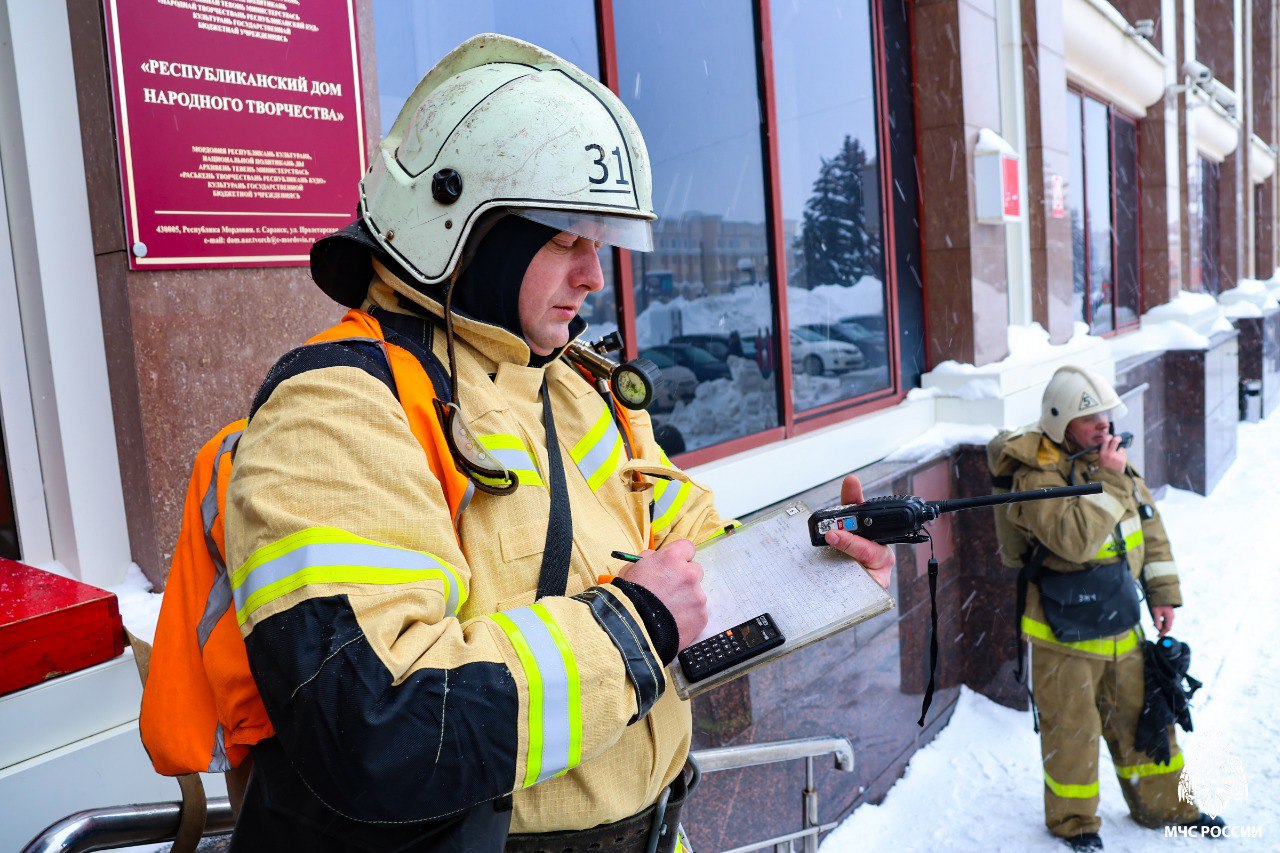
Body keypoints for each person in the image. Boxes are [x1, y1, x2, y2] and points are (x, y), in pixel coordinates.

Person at [224, 34, 894, 852]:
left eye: (600, 244)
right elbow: (379, 724)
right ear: (464, 227)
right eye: (567, 238)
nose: (594, 276)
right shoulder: (337, 409)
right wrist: (634, 624)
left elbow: (686, 559)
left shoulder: (576, 387)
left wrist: (812, 555)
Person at [990, 366, 1221, 852]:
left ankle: (1167, 808)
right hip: (1061, 635)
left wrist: (1162, 594)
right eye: (1089, 416)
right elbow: (1073, 541)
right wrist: (1110, 483)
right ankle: (1075, 825)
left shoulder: (1110, 460)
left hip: (1121, 624)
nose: (1103, 425)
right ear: (1060, 422)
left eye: (1105, 414)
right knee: (1071, 734)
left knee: (1146, 722)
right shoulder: (1037, 473)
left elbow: (1149, 531)